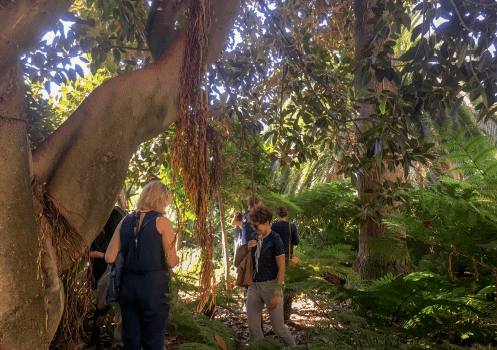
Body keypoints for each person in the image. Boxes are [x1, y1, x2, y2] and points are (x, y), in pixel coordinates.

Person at [105, 181, 179, 350]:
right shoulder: (162, 222)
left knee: (130, 342)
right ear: (162, 199)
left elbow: (109, 257)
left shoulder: (125, 220)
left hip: (128, 286)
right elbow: (171, 261)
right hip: (154, 287)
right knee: (153, 342)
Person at [246, 206, 296, 347]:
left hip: (271, 285)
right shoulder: (253, 237)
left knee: (279, 329)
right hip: (254, 286)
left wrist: (275, 293)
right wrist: (248, 247)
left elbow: (281, 268)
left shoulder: (275, 239)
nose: (254, 229)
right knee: (254, 329)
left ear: (267, 222)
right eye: (252, 225)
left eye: (256, 226)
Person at [88, 207, 126, 348]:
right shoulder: (119, 237)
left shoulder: (101, 236)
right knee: (109, 309)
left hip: (102, 273)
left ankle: (95, 339)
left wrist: (100, 255)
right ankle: (99, 339)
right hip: (110, 274)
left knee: (101, 308)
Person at [271, 206, 300, 321]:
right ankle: (286, 314)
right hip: (288, 258)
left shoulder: (274, 226)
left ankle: (276, 311)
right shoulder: (291, 226)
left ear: (277, 215)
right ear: (286, 215)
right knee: (289, 286)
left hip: (275, 258)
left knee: (277, 283)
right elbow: (296, 242)